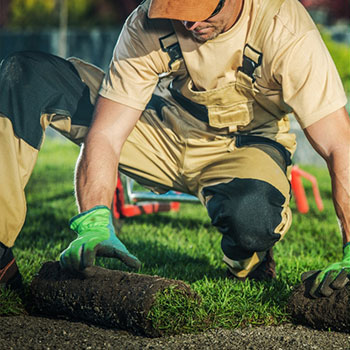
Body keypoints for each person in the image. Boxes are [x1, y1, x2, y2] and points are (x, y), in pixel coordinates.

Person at [0, 0, 349, 298]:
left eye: (200, 10)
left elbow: (338, 143)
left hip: (245, 144)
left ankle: (247, 257)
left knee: (253, 219)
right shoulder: (146, 22)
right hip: (164, 128)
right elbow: (106, 134)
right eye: (179, 9)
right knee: (25, 75)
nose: (190, 22)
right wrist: (94, 222)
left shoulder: (284, 27)